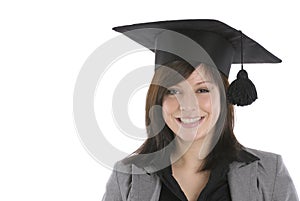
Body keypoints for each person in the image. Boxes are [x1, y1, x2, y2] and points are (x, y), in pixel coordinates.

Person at [102, 19, 299, 201]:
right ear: (158, 100)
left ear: (224, 97)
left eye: (202, 90)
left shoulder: (268, 173)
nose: (188, 105)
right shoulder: (128, 177)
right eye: (173, 90)